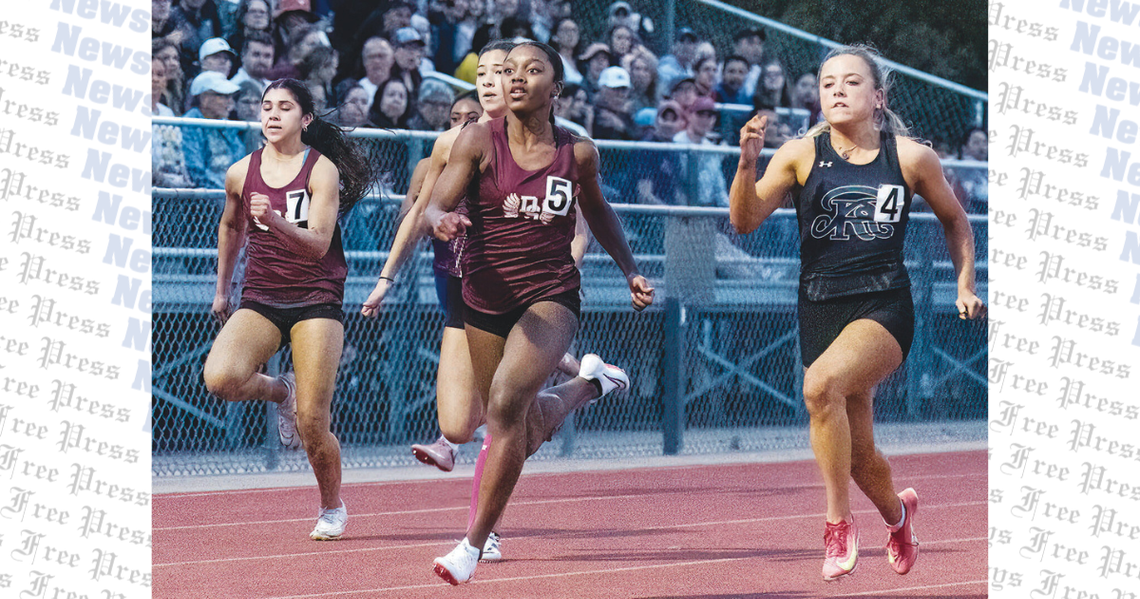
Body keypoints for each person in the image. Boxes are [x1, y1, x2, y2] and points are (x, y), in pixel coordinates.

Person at [728, 45, 986, 581]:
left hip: (883, 303)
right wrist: (747, 164)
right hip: (819, 304)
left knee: (820, 386)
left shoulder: (911, 158)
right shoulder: (799, 154)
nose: (837, 91)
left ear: (878, 97)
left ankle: (837, 524)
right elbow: (745, 220)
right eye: (828, 84)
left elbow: (956, 222)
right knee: (860, 453)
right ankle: (899, 517)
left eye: (850, 82)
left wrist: (965, 282)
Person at [424, 40, 654, 586]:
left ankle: (472, 545)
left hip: (550, 295)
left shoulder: (577, 153)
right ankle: (589, 385)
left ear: (557, 87)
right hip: (484, 298)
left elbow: (599, 211)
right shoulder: (478, 139)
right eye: (510, 70)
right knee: (517, 428)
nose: (517, 77)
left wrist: (630, 270)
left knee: (505, 404)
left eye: (532, 69)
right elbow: (436, 201)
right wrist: (440, 219)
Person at [203, 78, 375, 542]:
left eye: (284, 107)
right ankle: (283, 390)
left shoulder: (321, 171)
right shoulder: (241, 171)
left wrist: (274, 221)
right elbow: (231, 227)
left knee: (313, 424)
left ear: (306, 119)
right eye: (266, 107)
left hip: (317, 298)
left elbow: (318, 244)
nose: (273, 114)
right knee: (220, 378)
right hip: (262, 295)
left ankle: (331, 506)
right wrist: (222, 289)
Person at [183, 72, 246, 189]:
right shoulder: (190, 124)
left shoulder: (226, 125)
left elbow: (240, 160)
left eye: (230, 97)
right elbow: (195, 170)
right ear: (204, 98)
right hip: (206, 194)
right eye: (223, 96)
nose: (229, 102)